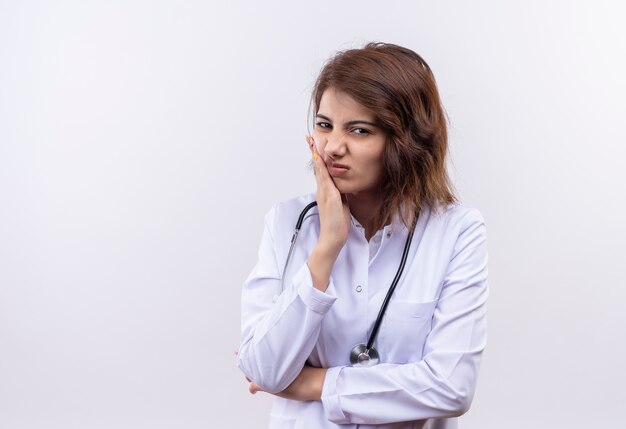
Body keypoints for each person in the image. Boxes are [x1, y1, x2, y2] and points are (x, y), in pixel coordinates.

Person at [236, 42, 488, 428]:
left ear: (407, 141)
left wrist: (313, 383)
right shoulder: (288, 222)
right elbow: (264, 370)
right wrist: (327, 248)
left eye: (359, 130)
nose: (333, 147)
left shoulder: (456, 232)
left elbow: (450, 387)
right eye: (324, 125)